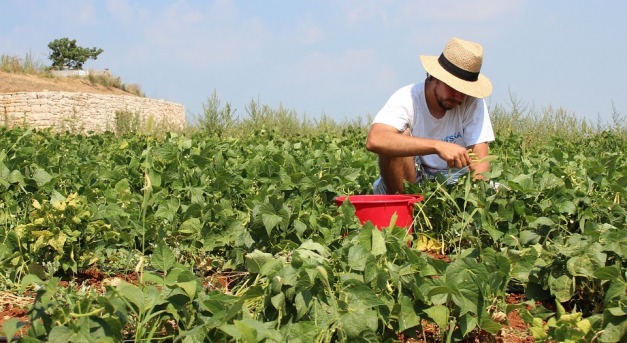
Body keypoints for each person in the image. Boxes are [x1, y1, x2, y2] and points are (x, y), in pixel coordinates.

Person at [366, 37, 495, 195]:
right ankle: (406, 207)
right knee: (398, 137)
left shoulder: (472, 102)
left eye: (465, 91)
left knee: (501, 193)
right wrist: (437, 146)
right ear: (436, 77)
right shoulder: (408, 97)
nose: (459, 97)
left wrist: (474, 199)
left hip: (455, 179)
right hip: (411, 177)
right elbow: (375, 139)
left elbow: (480, 163)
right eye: (453, 87)